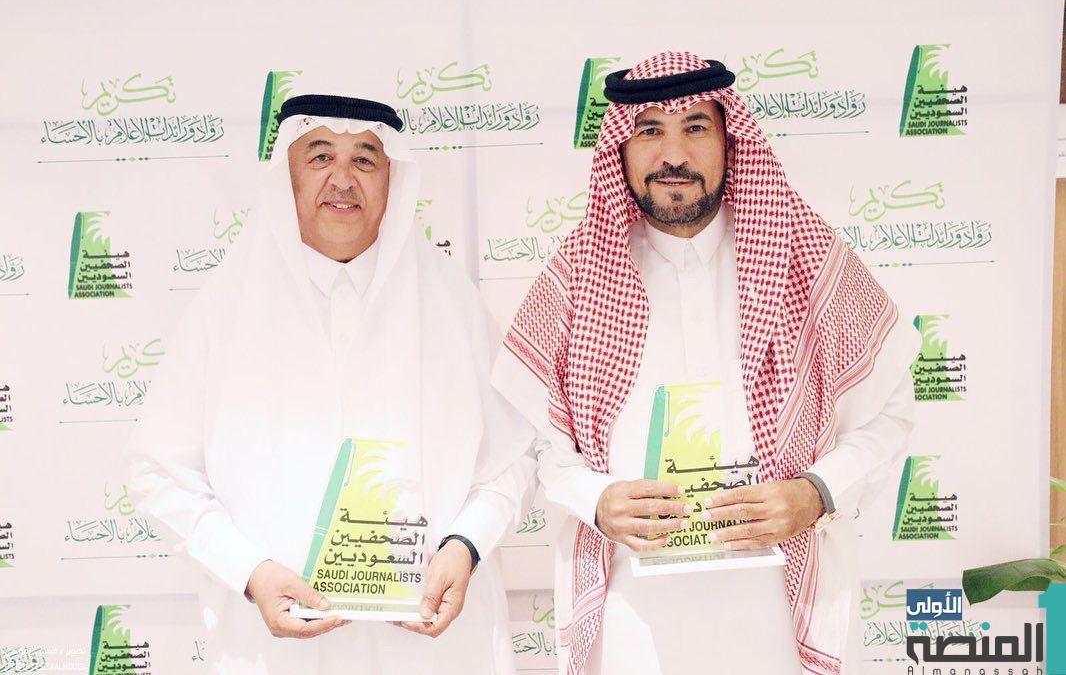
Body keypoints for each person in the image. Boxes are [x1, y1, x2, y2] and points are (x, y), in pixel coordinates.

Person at [492, 51, 920, 675]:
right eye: (650, 131)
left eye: (695, 127)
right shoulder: (578, 275)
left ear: (729, 140)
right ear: (622, 148)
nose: (674, 155)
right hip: (633, 613)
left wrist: (816, 493)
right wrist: (596, 499)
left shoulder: (804, 255)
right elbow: (535, 443)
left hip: (780, 606)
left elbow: (890, 413)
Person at [126, 90, 534, 674]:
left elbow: (513, 459)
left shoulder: (450, 303)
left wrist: (465, 546)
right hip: (278, 654)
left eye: (365, 159)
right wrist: (249, 571)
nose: (342, 180)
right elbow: (158, 470)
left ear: (392, 180)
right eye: (320, 157)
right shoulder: (227, 309)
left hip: (431, 650)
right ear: (287, 177)